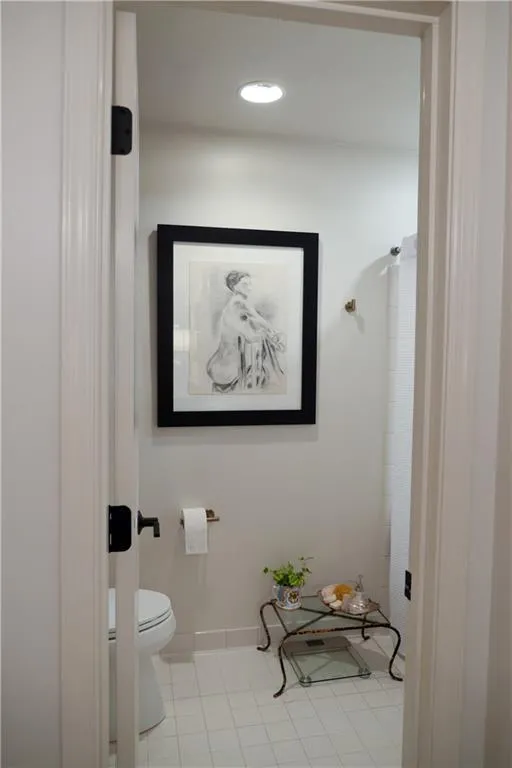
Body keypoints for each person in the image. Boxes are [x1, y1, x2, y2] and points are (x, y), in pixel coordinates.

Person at [206, 270, 285, 393]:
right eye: (245, 284)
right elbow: (254, 326)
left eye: (250, 284)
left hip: (222, 366)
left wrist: (270, 332)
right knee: (268, 370)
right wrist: (271, 332)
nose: (249, 288)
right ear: (234, 287)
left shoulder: (236, 304)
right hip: (227, 368)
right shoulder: (238, 303)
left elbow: (254, 321)